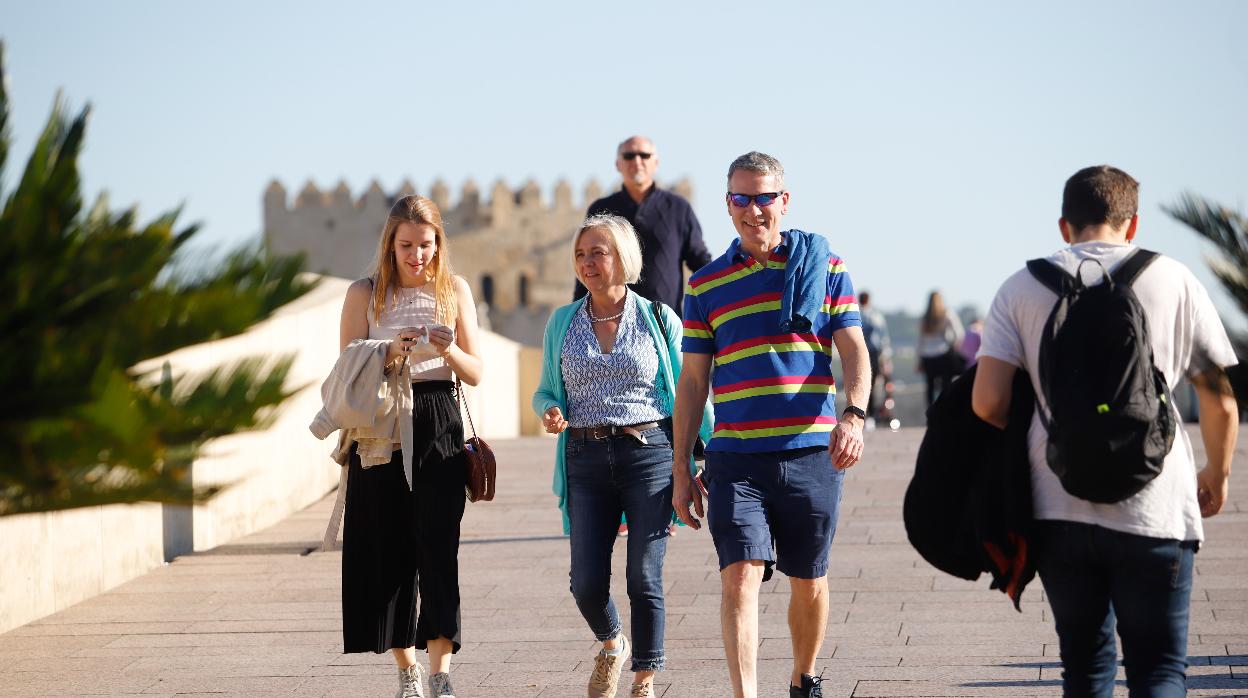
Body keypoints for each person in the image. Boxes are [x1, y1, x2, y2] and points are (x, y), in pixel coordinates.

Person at [972, 165, 1238, 696]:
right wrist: (1217, 473)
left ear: (1064, 226)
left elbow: (989, 402)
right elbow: (1221, 402)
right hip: (1157, 503)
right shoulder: (1176, 279)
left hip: (1058, 504)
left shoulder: (1021, 286)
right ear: (1132, 224)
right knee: (1160, 669)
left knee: (1087, 670)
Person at [671, 151, 871, 698]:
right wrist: (682, 465)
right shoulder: (706, 284)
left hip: (811, 453)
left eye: (764, 197)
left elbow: (854, 352)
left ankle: (804, 677)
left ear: (784, 201)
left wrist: (852, 416)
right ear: (727, 205)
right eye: (742, 198)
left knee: (809, 581)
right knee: (740, 576)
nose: (753, 210)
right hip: (735, 456)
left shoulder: (824, 267)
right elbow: (692, 382)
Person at [534, 213, 709, 698]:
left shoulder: (658, 318)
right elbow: (545, 390)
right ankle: (613, 642)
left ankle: (644, 680)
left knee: (642, 576)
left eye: (599, 252)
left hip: (649, 453)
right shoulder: (562, 322)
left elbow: (693, 392)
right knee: (586, 582)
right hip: (584, 458)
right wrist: (549, 410)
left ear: (623, 258)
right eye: (581, 254)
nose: (588, 262)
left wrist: (703, 459)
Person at [337, 195, 483, 698]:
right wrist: (388, 352)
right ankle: (407, 670)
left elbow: (477, 372)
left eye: (426, 244)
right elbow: (346, 369)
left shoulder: (455, 290)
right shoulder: (365, 294)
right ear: (390, 244)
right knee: (388, 551)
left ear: (439, 243)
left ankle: (441, 672)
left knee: (439, 548)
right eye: (407, 245)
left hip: (439, 422)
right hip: (381, 426)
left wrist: (447, 348)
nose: (417, 255)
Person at [573, 135, 713, 315]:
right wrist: (574, 317)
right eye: (629, 156)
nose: (637, 161)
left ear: (656, 163)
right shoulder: (602, 210)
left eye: (644, 155)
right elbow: (585, 266)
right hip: (608, 324)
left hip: (664, 325)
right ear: (618, 164)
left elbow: (700, 261)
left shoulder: (678, 209)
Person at [916, 290, 964, 407]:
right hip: (943, 353)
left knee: (930, 386)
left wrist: (919, 359)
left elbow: (921, 341)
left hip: (927, 355)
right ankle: (945, 411)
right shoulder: (947, 313)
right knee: (945, 385)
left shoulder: (924, 318)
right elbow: (959, 334)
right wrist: (952, 345)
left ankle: (930, 413)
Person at [858, 291, 892, 426]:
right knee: (873, 384)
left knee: (864, 383)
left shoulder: (857, 314)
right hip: (875, 353)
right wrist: (886, 357)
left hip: (862, 352)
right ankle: (872, 414)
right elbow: (884, 338)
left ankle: (867, 414)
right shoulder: (876, 317)